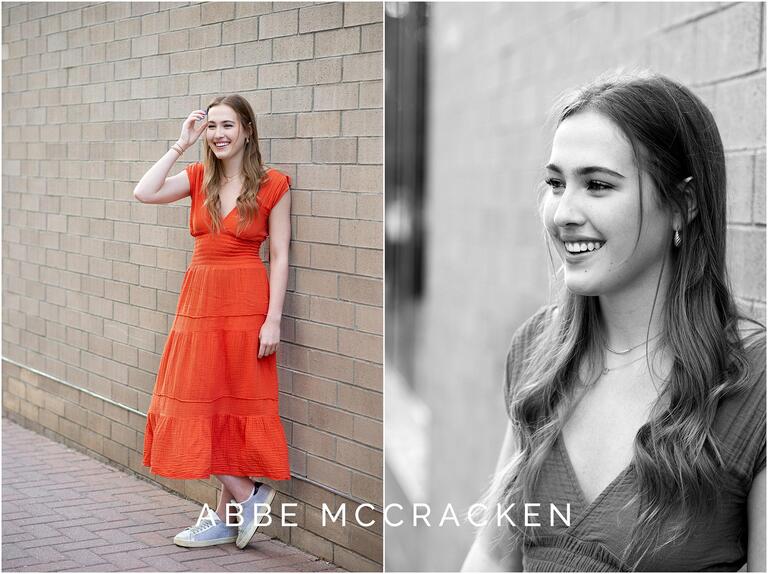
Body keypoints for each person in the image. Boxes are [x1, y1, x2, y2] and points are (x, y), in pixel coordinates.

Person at [461, 72, 766, 571]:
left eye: (597, 185)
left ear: (683, 205)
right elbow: (493, 558)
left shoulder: (755, 387)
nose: (563, 212)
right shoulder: (538, 348)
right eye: (556, 183)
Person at [133, 94, 292, 549]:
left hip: (246, 304)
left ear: (246, 129)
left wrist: (273, 320)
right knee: (189, 401)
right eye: (212, 126)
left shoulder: (274, 184)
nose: (219, 134)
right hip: (198, 304)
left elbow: (279, 256)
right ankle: (247, 495)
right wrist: (180, 145)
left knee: (228, 404)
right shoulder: (198, 176)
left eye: (228, 125)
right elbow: (144, 192)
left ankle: (233, 509)